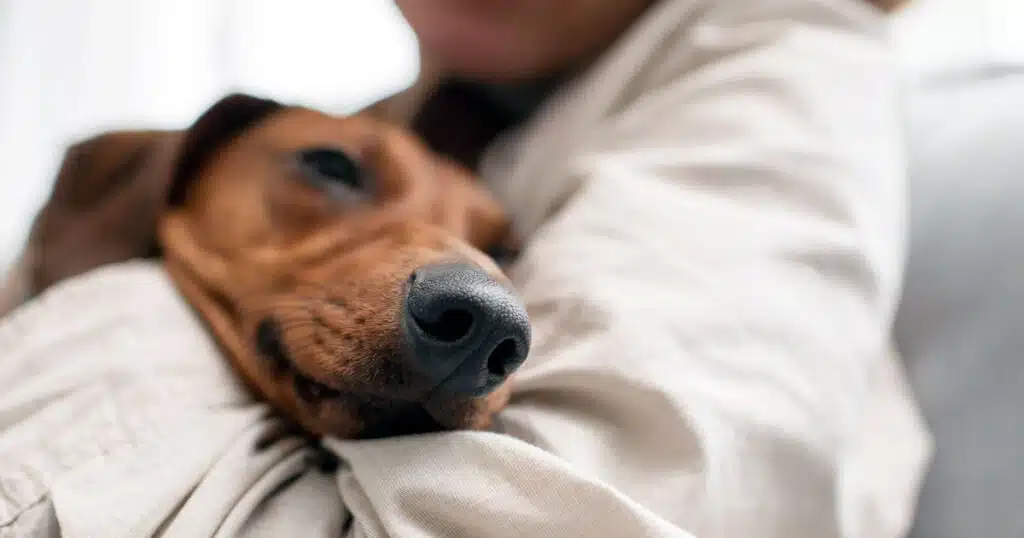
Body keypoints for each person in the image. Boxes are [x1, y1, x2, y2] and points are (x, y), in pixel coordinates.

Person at [0, 0, 930, 536]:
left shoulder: (777, 64)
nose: (478, 287)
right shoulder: (430, 113)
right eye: (333, 174)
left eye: (506, 251)